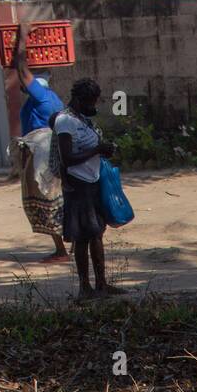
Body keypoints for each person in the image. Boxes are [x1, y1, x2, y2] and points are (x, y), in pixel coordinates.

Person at [54, 78, 120, 301]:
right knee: (82, 237)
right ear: (79, 100)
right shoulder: (65, 122)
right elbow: (68, 158)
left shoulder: (81, 119)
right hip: (77, 185)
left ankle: (102, 284)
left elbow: (88, 147)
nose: (94, 107)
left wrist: (103, 150)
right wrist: (96, 150)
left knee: (97, 233)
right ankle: (85, 288)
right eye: (90, 102)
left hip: (93, 181)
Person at [10, 23, 66, 263]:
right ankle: (66, 246)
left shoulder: (41, 95)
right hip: (45, 151)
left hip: (43, 154)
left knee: (48, 198)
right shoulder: (50, 97)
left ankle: (62, 250)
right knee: (51, 199)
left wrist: (21, 38)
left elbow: (21, 69)